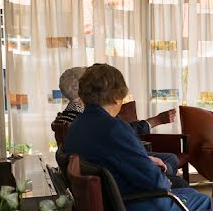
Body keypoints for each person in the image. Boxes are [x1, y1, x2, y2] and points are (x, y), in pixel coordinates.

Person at [63, 63, 213, 211]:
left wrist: (148, 163)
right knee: (201, 200)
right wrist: (164, 181)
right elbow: (154, 182)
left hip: (104, 209)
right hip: (130, 208)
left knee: (180, 187)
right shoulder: (114, 129)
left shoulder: (76, 126)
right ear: (115, 97)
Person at [54, 66, 186, 186]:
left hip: (109, 173)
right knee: (174, 176)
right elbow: (118, 135)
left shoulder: (73, 118)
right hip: (119, 183)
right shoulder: (91, 116)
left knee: (169, 164)